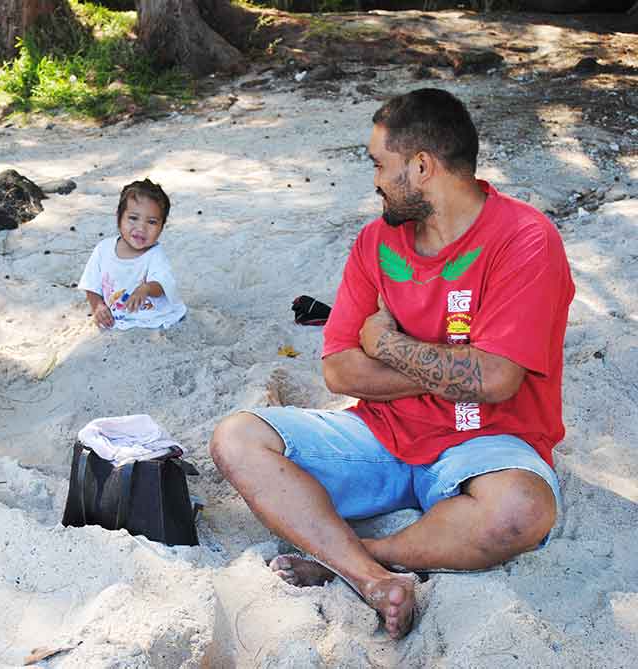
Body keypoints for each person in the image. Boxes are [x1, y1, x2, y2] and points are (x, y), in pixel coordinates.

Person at [209, 88, 574, 640]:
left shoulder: (525, 238)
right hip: (380, 436)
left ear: (422, 166)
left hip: (487, 441)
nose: (375, 179)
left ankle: (365, 553)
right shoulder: (376, 242)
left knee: (521, 511)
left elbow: (498, 381)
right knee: (237, 438)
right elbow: (338, 371)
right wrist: (455, 370)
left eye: (381, 164)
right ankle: (370, 578)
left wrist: (388, 345)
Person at [78, 179, 186, 330]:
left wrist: (145, 288)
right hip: (116, 316)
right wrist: (98, 306)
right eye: (133, 218)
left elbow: (162, 284)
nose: (141, 228)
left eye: (152, 222)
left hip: (152, 317)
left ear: (161, 227)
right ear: (119, 218)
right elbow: (91, 285)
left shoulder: (155, 254)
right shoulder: (103, 249)